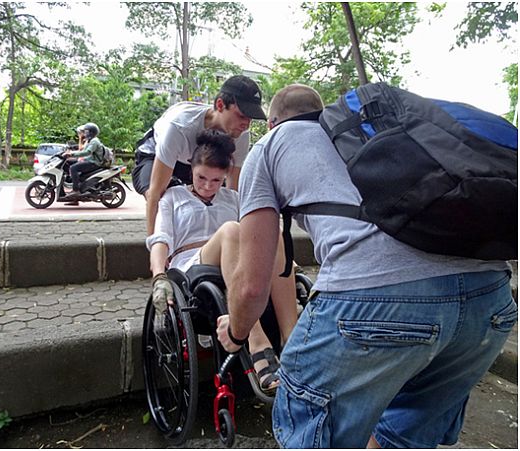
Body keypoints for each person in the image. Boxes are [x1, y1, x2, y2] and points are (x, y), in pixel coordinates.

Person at [216, 84, 517, 448]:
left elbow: (250, 285)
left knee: (312, 428)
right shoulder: (369, 129)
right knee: (400, 437)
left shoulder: (270, 146)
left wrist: (235, 333)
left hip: (375, 297)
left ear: (273, 123)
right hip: (489, 302)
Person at [147, 129, 298, 394]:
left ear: (225, 176)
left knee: (270, 231)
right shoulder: (173, 197)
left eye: (216, 180)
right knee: (231, 229)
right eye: (201, 177)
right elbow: (160, 239)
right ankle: (256, 341)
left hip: (239, 260)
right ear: (191, 169)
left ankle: (292, 341)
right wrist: (159, 276)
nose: (207, 185)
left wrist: (285, 264)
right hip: (194, 265)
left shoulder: (235, 199)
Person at [132, 75, 267, 235]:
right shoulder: (180, 127)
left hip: (201, 163)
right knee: (164, 197)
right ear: (220, 105)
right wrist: (153, 245)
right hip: (154, 155)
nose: (246, 124)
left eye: (250, 118)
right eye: (242, 116)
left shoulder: (241, 135)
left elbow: (233, 192)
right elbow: (155, 194)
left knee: (212, 195)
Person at [63, 122, 105, 199]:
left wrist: (72, 154)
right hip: (89, 160)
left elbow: (87, 152)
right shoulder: (90, 140)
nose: (85, 133)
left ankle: (76, 190)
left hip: (94, 163)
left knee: (73, 168)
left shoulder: (94, 141)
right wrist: (70, 153)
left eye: (86, 131)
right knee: (67, 162)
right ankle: (73, 186)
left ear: (91, 132)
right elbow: (81, 150)